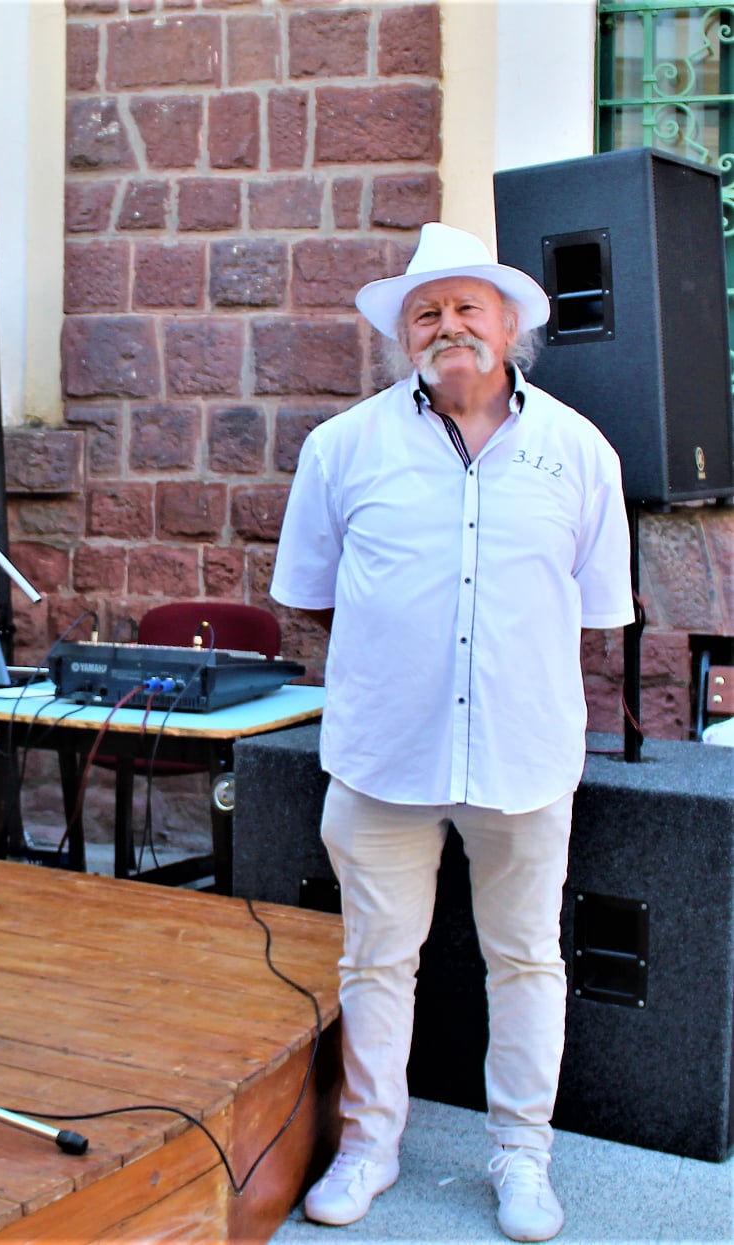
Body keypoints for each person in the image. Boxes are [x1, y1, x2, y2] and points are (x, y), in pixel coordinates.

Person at [272, 223, 634, 1243]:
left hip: (524, 755)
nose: (447, 326)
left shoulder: (579, 451)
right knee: (375, 961)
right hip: (383, 754)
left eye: (468, 307)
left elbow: (593, 609)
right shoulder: (342, 447)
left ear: (510, 326)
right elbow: (312, 594)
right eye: (424, 312)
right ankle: (367, 1146)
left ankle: (521, 1154)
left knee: (525, 961)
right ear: (404, 337)